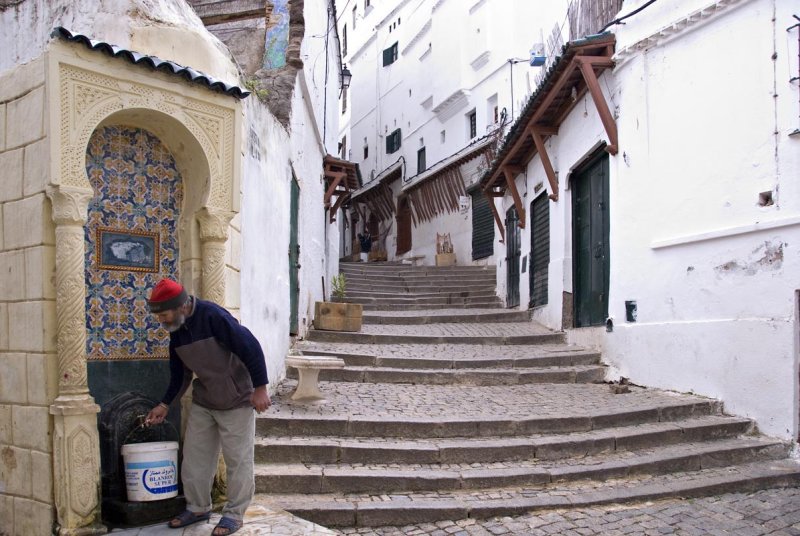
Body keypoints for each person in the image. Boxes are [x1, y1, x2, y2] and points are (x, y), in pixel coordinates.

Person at [144, 278, 270, 536]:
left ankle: (234, 514)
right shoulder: (176, 332)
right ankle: (198, 508)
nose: (162, 321)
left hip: (237, 399)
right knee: (195, 458)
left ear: (180, 306)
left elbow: (251, 346)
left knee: (239, 461)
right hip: (205, 401)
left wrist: (260, 388)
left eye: (164, 315)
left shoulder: (213, 316)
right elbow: (180, 375)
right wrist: (165, 404)